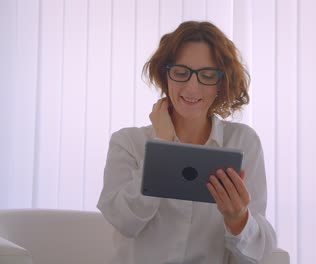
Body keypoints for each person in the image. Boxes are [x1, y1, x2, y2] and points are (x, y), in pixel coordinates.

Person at [97, 21, 277, 264]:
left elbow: (260, 251)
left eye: (207, 75)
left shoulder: (243, 142)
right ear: (165, 75)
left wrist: (238, 219)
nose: (192, 87)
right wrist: (163, 146)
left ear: (220, 83)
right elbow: (124, 221)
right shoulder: (127, 143)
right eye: (181, 73)